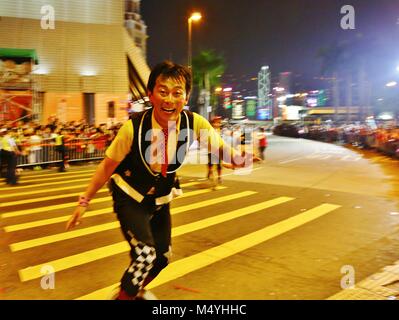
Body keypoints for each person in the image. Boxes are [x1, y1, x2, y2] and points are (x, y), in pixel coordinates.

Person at [66, 61, 259, 300]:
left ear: (186, 97)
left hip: (160, 198)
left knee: (162, 258)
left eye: (177, 93)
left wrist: (240, 160)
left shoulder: (194, 123)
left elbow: (222, 150)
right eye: (162, 91)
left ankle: (131, 290)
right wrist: (84, 202)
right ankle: (124, 296)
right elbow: (106, 166)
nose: (169, 99)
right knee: (146, 254)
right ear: (151, 95)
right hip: (130, 195)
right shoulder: (133, 128)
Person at [207, 116, 223, 184]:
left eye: (219, 122)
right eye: (216, 122)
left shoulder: (220, 130)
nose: (218, 124)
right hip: (211, 150)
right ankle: (211, 176)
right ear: (213, 123)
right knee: (211, 164)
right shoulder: (210, 130)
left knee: (219, 165)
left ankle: (219, 177)